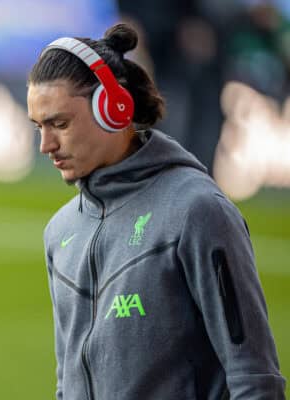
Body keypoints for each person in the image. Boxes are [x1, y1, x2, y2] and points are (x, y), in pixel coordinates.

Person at [27, 23, 286, 399]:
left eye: (59, 124)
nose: (45, 145)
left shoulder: (197, 211)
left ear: (113, 109)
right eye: (38, 127)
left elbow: (255, 379)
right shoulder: (59, 231)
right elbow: (66, 385)